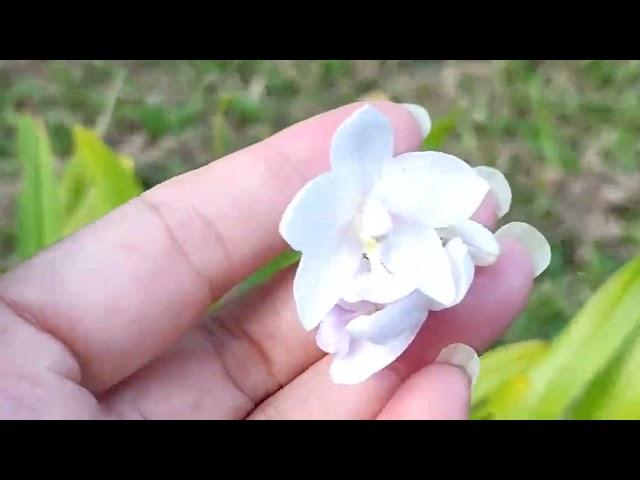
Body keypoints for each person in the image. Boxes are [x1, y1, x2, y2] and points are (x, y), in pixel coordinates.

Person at [0, 101, 535, 419]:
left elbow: (434, 277)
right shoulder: (324, 226)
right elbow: (316, 286)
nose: (378, 229)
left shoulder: (402, 233)